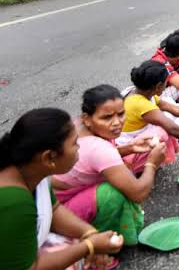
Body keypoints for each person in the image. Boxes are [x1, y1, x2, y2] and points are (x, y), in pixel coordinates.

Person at [0, 108, 123, 270]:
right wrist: (89, 246)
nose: (79, 147)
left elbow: (55, 209)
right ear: (49, 157)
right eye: (74, 144)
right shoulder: (14, 201)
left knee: (75, 243)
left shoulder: (33, 171)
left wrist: (89, 233)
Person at [52, 85, 167, 248]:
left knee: (121, 173)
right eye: (107, 118)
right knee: (112, 193)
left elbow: (90, 160)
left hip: (54, 205)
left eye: (121, 114)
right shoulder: (98, 148)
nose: (117, 123)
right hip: (60, 214)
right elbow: (138, 193)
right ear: (87, 118)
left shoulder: (78, 126)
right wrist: (151, 164)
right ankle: (97, 245)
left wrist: (129, 148)